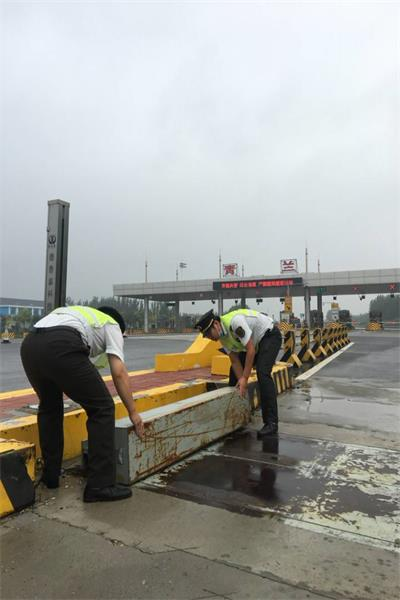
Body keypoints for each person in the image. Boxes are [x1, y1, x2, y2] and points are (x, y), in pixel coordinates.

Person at [20, 305, 144, 502]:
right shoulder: (112, 325)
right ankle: (100, 485)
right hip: (61, 344)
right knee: (102, 408)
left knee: (50, 407)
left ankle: (51, 476)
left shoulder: (78, 315)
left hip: (30, 345)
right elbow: (119, 372)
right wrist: (133, 412)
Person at [194, 308, 282, 437]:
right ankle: (236, 417)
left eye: (208, 333)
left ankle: (271, 423)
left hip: (269, 336)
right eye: (206, 335)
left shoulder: (235, 323)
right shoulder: (222, 338)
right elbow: (234, 360)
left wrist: (245, 378)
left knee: (263, 373)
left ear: (216, 324)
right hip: (256, 343)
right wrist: (240, 379)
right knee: (234, 374)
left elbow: (250, 351)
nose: (208, 337)